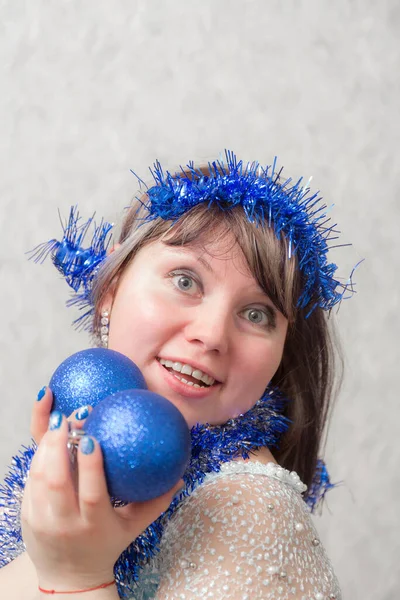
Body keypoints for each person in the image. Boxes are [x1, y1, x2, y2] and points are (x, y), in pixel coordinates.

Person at [0, 152, 351, 599]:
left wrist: (78, 577)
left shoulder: (250, 516)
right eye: (185, 281)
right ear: (109, 289)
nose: (211, 335)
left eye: (257, 313)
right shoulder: (96, 464)